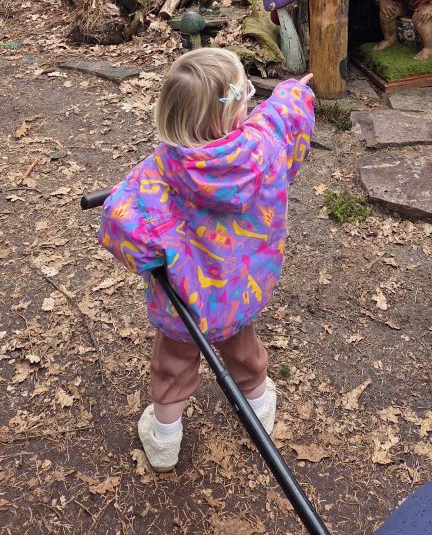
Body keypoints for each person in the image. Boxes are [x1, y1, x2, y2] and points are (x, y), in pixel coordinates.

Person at [98, 48, 315, 471]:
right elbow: (284, 118)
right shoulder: (265, 148)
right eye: (247, 94)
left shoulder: (157, 173)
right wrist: (293, 93)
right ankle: (259, 408)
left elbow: (121, 228)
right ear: (231, 117)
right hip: (239, 294)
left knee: (173, 364)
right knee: (244, 352)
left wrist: (154, 253)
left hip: (186, 303)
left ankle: (163, 441)